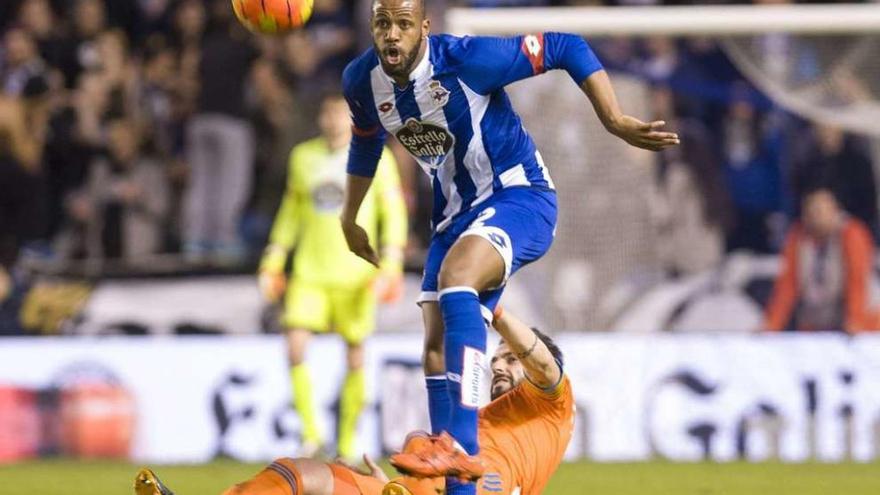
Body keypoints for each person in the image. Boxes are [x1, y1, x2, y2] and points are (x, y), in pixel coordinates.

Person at [338, 1, 677, 493]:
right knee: (434, 347)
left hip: (520, 197)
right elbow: (366, 140)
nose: (392, 35)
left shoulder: (466, 59)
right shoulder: (360, 79)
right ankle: (456, 485)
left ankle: (462, 444)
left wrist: (613, 118)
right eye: (382, 23)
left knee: (458, 281)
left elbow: (565, 46)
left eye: (404, 24)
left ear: (424, 28)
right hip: (454, 216)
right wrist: (350, 216)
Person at [133, 307, 574, 495]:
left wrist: (490, 308)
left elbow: (541, 364)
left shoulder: (553, 404)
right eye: (496, 357)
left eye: (510, 358)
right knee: (299, 473)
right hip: (403, 492)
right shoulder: (477, 415)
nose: (499, 364)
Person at [258, 91, 408, 460]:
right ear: (320, 118)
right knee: (294, 345)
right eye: (328, 114)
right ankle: (311, 436)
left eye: (340, 114)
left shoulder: (378, 157)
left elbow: (394, 212)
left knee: (355, 355)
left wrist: (391, 263)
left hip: (357, 273)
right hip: (310, 272)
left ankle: (346, 444)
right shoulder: (303, 157)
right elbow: (290, 212)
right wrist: (273, 258)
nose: (333, 120)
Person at [764, 187, 879, 334]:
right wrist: (772, 324)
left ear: (835, 211)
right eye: (810, 212)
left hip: (859, 318)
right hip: (816, 319)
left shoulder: (852, 233)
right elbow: (787, 284)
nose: (815, 217)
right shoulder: (797, 236)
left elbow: (857, 280)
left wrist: (855, 320)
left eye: (820, 211)